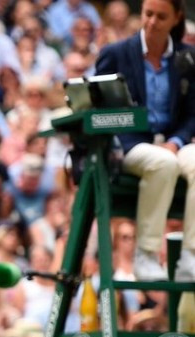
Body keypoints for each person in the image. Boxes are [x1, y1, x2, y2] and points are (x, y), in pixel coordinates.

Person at [94, 0, 195, 282]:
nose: (152, 22)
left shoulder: (189, 57)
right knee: (162, 163)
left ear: (176, 18)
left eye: (161, 17)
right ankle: (146, 254)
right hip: (130, 144)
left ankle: (191, 256)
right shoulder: (116, 53)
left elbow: (192, 113)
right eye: (148, 14)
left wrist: (176, 141)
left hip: (175, 143)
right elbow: (99, 107)